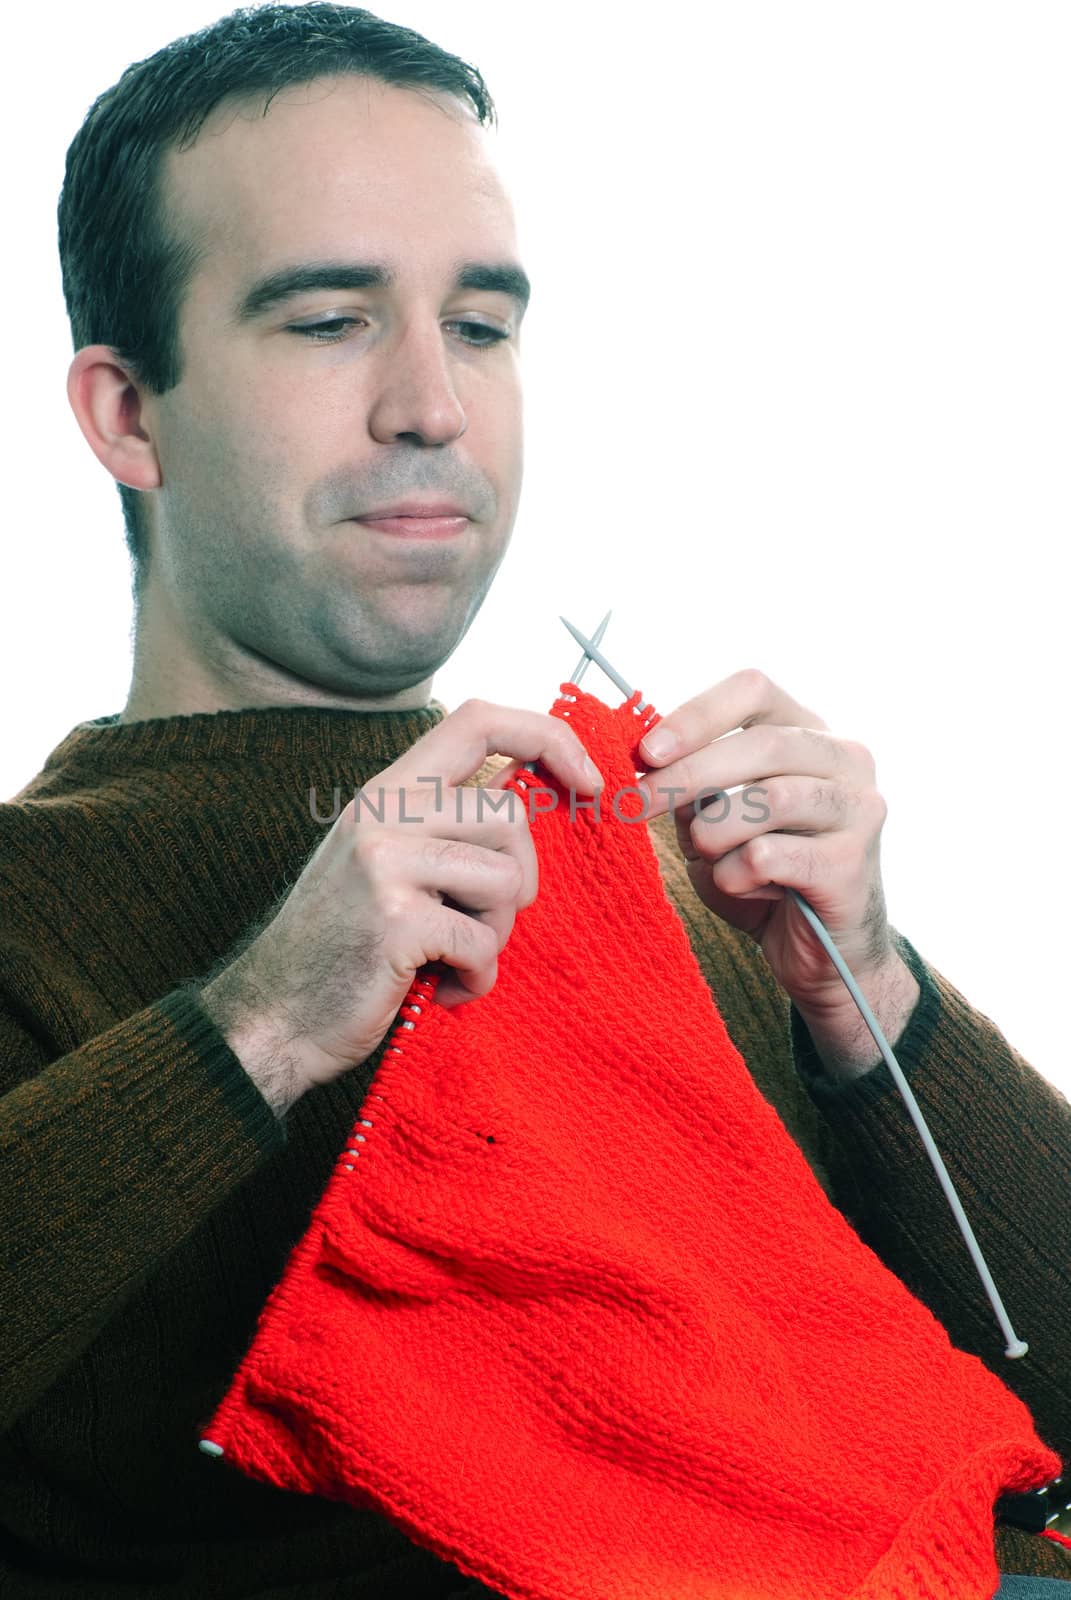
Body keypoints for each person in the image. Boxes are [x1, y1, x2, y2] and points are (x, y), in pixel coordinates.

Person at [1, 4, 1067, 1595]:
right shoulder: (33, 905)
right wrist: (260, 1027)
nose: (432, 404)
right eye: (326, 322)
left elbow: (1025, 1403)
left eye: (483, 326)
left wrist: (874, 1008)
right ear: (127, 413)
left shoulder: (660, 878)